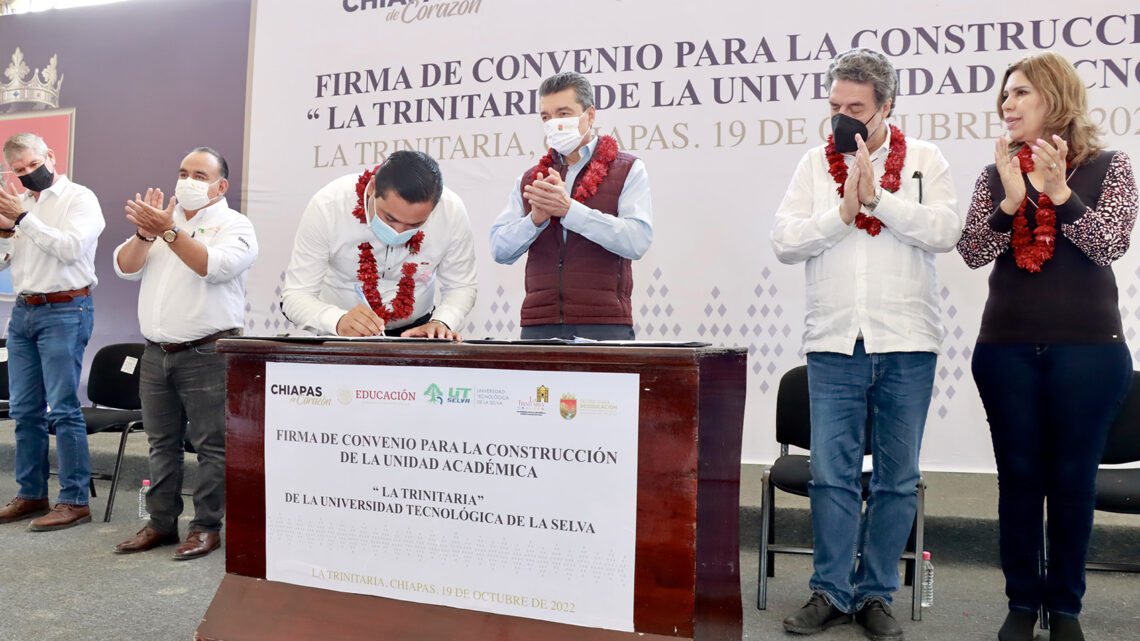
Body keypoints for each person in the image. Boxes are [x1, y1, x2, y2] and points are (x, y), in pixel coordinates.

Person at [769, 48, 962, 641]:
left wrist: (881, 200)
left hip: (907, 341)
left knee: (896, 478)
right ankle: (829, 589)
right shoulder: (811, 166)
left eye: (855, 107)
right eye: (834, 107)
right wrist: (843, 211)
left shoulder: (926, 159)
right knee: (832, 474)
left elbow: (946, 232)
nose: (843, 118)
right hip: (833, 342)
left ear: (887, 107)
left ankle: (876, 593)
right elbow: (785, 240)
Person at [956, 51, 1137, 641]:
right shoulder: (996, 174)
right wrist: (1011, 201)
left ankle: (1065, 608)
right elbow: (973, 251)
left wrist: (1060, 194)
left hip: (1088, 352)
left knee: (1072, 479)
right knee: (1019, 477)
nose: (1006, 105)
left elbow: (1109, 244)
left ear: (1054, 99)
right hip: (1006, 349)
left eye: (1020, 94)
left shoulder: (1111, 166)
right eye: (1003, 96)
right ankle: (1020, 602)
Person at [110, 147, 258, 560]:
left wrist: (169, 233)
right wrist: (145, 234)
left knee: (212, 447)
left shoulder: (235, 225)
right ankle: (160, 524)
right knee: (160, 444)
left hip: (208, 352)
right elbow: (124, 266)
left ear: (220, 185)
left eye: (198, 174)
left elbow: (213, 267)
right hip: (156, 354)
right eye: (182, 172)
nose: (187, 180)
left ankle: (206, 528)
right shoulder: (163, 221)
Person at [489, 71, 653, 340]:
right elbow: (499, 249)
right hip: (539, 324)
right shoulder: (531, 179)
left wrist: (570, 211)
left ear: (589, 115)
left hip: (603, 324)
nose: (554, 123)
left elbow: (637, 240)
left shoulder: (628, 169)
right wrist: (535, 220)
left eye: (563, 114)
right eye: (546, 117)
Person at [0, 132, 104, 531]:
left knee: (62, 408)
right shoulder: (20, 204)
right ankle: (30, 493)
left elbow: (70, 249)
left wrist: (25, 219)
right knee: (23, 409)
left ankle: (75, 499)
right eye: (20, 170)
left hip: (66, 308)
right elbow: (4, 262)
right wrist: (6, 231)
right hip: (24, 310)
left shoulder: (80, 198)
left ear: (51, 156)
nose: (28, 174)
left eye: (32, 165)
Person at [282, 150, 475, 340]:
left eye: (414, 225)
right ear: (373, 188)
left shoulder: (450, 211)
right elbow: (296, 295)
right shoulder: (328, 206)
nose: (399, 232)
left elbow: (461, 286)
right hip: (340, 331)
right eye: (389, 219)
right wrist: (337, 320)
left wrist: (441, 323)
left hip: (417, 332)